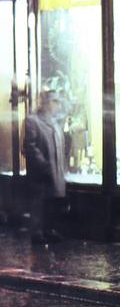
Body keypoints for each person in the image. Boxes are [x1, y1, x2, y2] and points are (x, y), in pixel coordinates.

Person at [22, 90, 66, 243]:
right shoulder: (32, 121)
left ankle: (49, 230)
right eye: (55, 102)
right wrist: (43, 165)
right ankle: (37, 232)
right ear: (47, 104)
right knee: (38, 202)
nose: (57, 106)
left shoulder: (55, 123)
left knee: (51, 202)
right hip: (41, 173)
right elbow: (30, 147)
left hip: (54, 171)